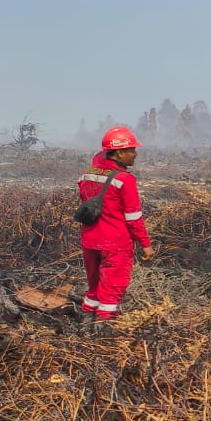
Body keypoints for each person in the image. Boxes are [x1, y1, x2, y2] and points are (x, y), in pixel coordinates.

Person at [77, 126, 154, 326]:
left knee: (94, 287)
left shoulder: (86, 174)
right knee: (111, 290)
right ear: (119, 152)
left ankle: (85, 323)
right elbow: (134, 218)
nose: (135, 154)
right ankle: (102, 331)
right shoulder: (124, 180)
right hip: (115, 244)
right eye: (132, 150)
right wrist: (145, 244)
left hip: (90, 241)